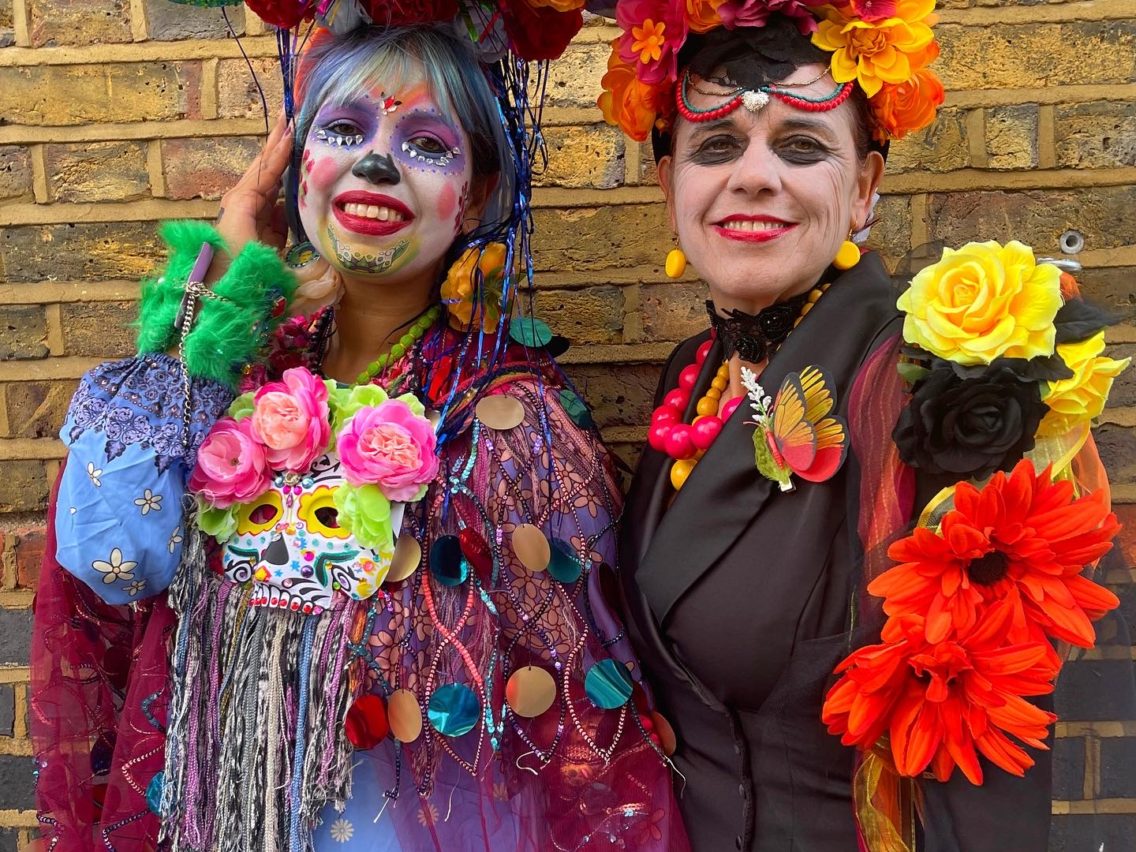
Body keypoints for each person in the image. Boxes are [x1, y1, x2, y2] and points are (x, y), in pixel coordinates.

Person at [30, 5, 687, 851]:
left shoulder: (512, 427)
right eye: (342, 129)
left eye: (426, 144)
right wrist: (221, 301)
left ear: (479, 192)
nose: (376, 162)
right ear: (297, 165)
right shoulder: (230, 386)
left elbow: (563, 743)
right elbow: (110, 560)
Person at [596, 3, 1131, 851]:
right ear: (670, 189)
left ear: (866, 191)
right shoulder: (694, 375)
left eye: (802, 146)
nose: (754, 175)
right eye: (716, 146)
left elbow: (981, 768)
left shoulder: (945, 397)